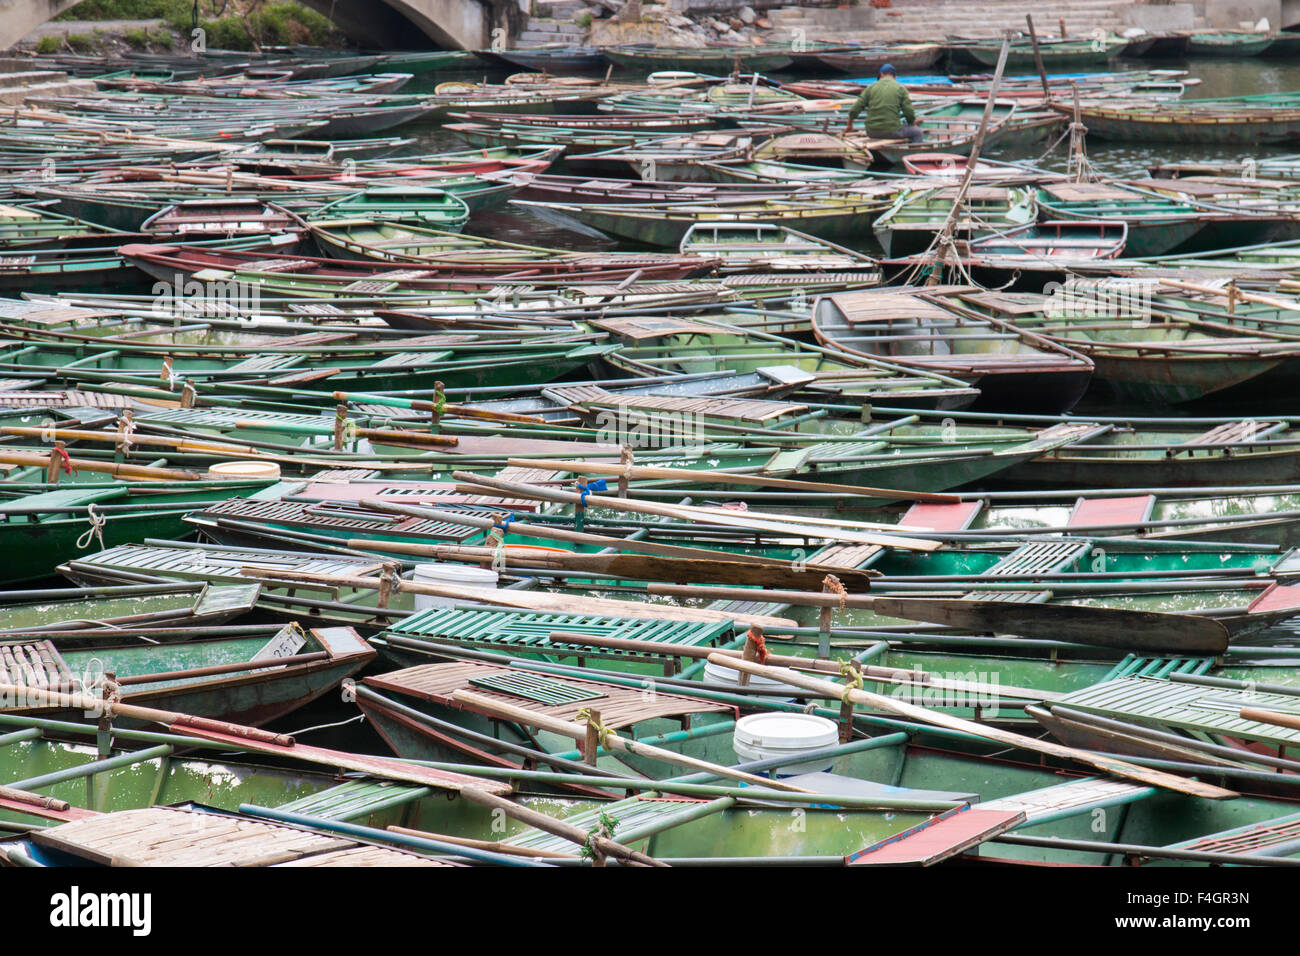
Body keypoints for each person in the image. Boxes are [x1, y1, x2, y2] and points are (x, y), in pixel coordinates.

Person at [843, 63, 923, 143]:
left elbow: (854, 109)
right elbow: (909, 112)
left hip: (871, 132)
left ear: (881, 75)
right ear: (895, 77)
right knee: (917, 132)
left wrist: (850, 125)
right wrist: (912, 123)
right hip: (892, 132)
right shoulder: (901, 88)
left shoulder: (870, 88)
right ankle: (913, 154)